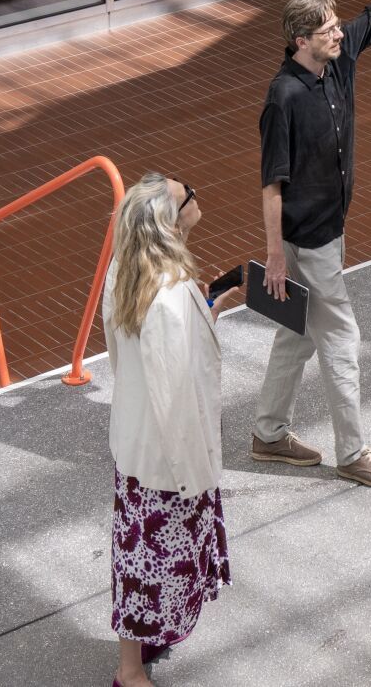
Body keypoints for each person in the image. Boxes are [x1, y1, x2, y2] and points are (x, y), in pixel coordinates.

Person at [249, 0, 371, 489]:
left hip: (326, 231)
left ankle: (268, 432)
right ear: (301, 41)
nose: (340, 35)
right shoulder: (283, 98)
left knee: (297, 334)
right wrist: (274, 256)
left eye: (339, 27)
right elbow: (272, 183)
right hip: (305, 240)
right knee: (340, 337)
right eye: (328, 31)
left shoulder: (338, 65)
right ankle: (353, 452)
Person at [103, 174, 244, 687]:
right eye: (189, 195)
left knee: (136, 558)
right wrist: (197, 472)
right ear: (170, 220)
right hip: (171, 460)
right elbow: (177, 391)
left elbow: (127, 360)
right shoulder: (169, 294)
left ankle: (143, 644)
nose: (196, 197)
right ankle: (128, 671)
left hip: (135, 444)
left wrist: (206, 311)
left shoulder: (124, 271)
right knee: (149, 565)